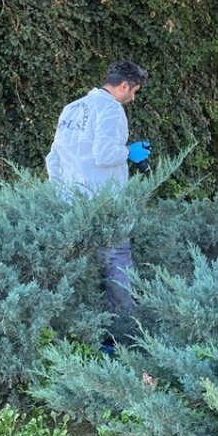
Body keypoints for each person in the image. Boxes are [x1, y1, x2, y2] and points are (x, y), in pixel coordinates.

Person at [46, 60, 152, 318]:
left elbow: (53, 158)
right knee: (117, 263)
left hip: (71, 204)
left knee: (82, 268)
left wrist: (60, 195)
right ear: (124, 85)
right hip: (106, 205)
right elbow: (104, 154)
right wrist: (130, 152)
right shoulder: (111, 109)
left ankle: (84, 327)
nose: (133, 98)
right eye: (134, 91)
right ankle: (124, 329)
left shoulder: (72, 108)